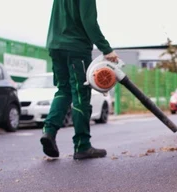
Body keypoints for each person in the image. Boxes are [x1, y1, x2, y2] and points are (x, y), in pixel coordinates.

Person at [40, 0, 118, 160]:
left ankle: (49, 132)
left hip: (55, 45)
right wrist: (106, 48)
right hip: (76, 48)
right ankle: (82, 145)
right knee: (80, 94)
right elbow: (88, 21)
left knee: (63, 90)